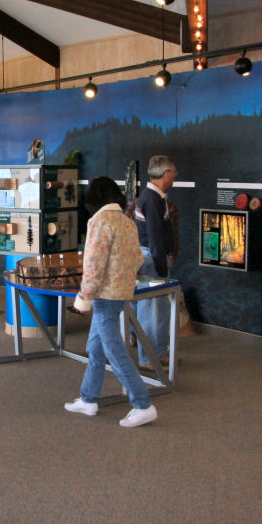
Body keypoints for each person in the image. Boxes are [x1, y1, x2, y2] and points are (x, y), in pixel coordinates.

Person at [64, 176, 157, 428]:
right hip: (120, 292)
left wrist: (84, 298)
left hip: (104, 295)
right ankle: (88, 398)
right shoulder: (126, 222)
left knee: (114, 350)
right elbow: (138, 259)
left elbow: (93, 265)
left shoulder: (100, 221)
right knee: (95, 347)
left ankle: (142, 404)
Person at [132, 155, 177, 370]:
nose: (175, 176)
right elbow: (155, 238)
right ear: (165, 174)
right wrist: (161, 270)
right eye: (174, 172)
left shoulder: (155, 197)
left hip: (152, 257)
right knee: (151, 311)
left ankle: (157, 352)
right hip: (151, 259)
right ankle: (148, 358)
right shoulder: (152, 199)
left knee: (159, 309)